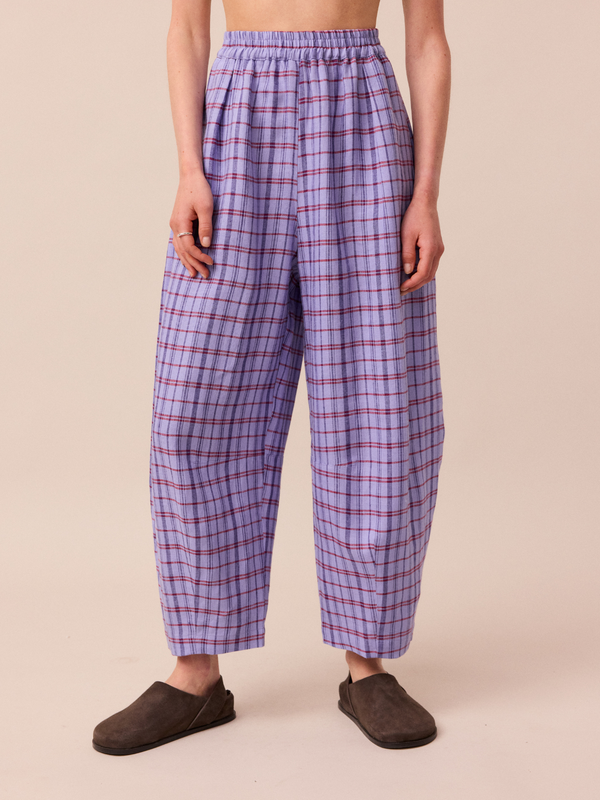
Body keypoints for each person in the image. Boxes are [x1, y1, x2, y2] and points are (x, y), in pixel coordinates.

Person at [92, 0, 450, 755]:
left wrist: (425, 195)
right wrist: (189, 168)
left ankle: (367, 664)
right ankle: (196, 674)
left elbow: (427, 42)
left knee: (377, 403)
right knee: (193, 407)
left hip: (360, 116)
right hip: (237, 124)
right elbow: (188, 29)